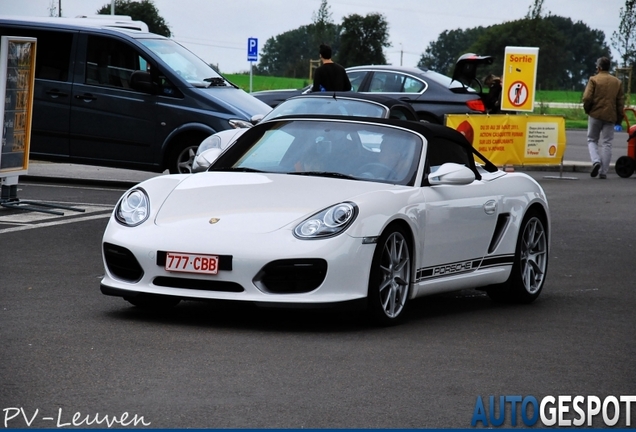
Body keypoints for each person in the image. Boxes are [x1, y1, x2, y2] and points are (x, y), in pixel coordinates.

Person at [582, 56, 625, 179]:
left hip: (595, 114)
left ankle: (596, 161)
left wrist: (588, 109)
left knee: (592, 139)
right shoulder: (617, 82)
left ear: (599, 67)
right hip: (610, 116)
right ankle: (603, 171)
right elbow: (620, 103)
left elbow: (586, 98)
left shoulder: (593, 80)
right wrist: (619, 119)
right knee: (607, 143)